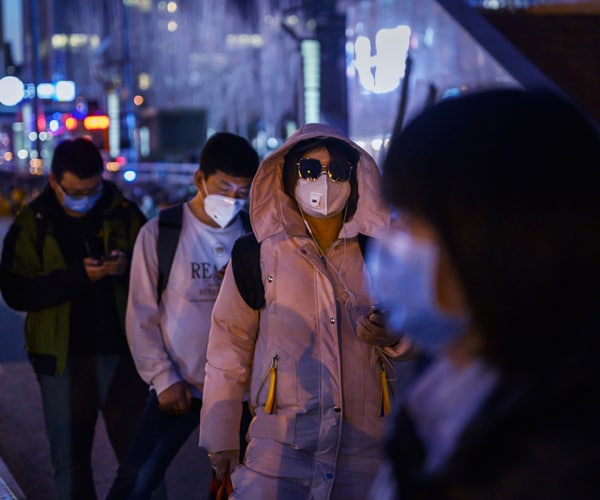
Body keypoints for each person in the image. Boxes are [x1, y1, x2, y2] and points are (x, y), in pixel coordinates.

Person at [367, 88, 600, 498]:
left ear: (497, 236)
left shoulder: (567, 456)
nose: (387, 241)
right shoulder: (441, 393)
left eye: (408, 219)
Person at [199, 123, 417, 499]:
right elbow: (228, 348)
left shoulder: (382, 254)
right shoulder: (257, 255)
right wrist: (221, 438)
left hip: (363, 449)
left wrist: (394, 334)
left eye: (337, 172)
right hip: (279, 449)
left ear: (355, 178)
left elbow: (420, 326)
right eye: (310, 171)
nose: (324, 183)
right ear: (286, 177)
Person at [106, 132, 260, 499]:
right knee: (136, 481)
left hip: (239, 393)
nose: (233, 200)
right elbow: (141, 314)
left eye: (242, 192)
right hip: (178, 388)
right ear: (199, 180)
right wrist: (163, 378)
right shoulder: (161, 232)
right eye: (225, 187)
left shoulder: (255, 238)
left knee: (238, 487)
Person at [0, 137, 148, 500]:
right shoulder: (32, 223)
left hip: (124, 356)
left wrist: (128, 266)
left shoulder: (124, 212)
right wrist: (77, 276)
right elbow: (16, 290)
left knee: (141, 460)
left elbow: (159, 276)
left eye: (92, 189)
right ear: (54, 183)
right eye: (75, 191)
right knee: (69, 462)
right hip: (61, 360)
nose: (85, 197)